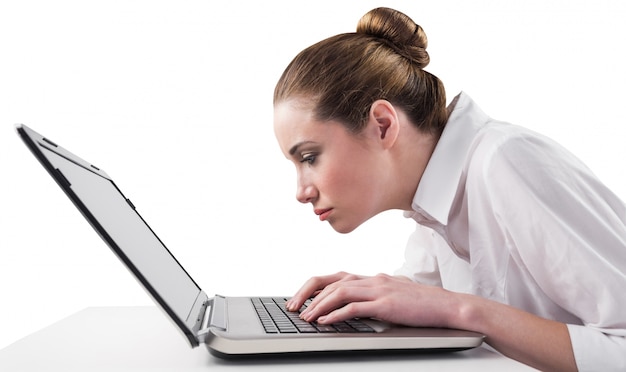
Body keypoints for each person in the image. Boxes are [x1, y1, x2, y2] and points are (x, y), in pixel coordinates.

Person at [272, 7, 626, 372]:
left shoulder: (505, 162)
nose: (301, 191)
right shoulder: (432, 201)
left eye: (310, 157)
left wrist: (460, 309)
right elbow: (425, 292)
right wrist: (374, 293)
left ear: (382, 125)